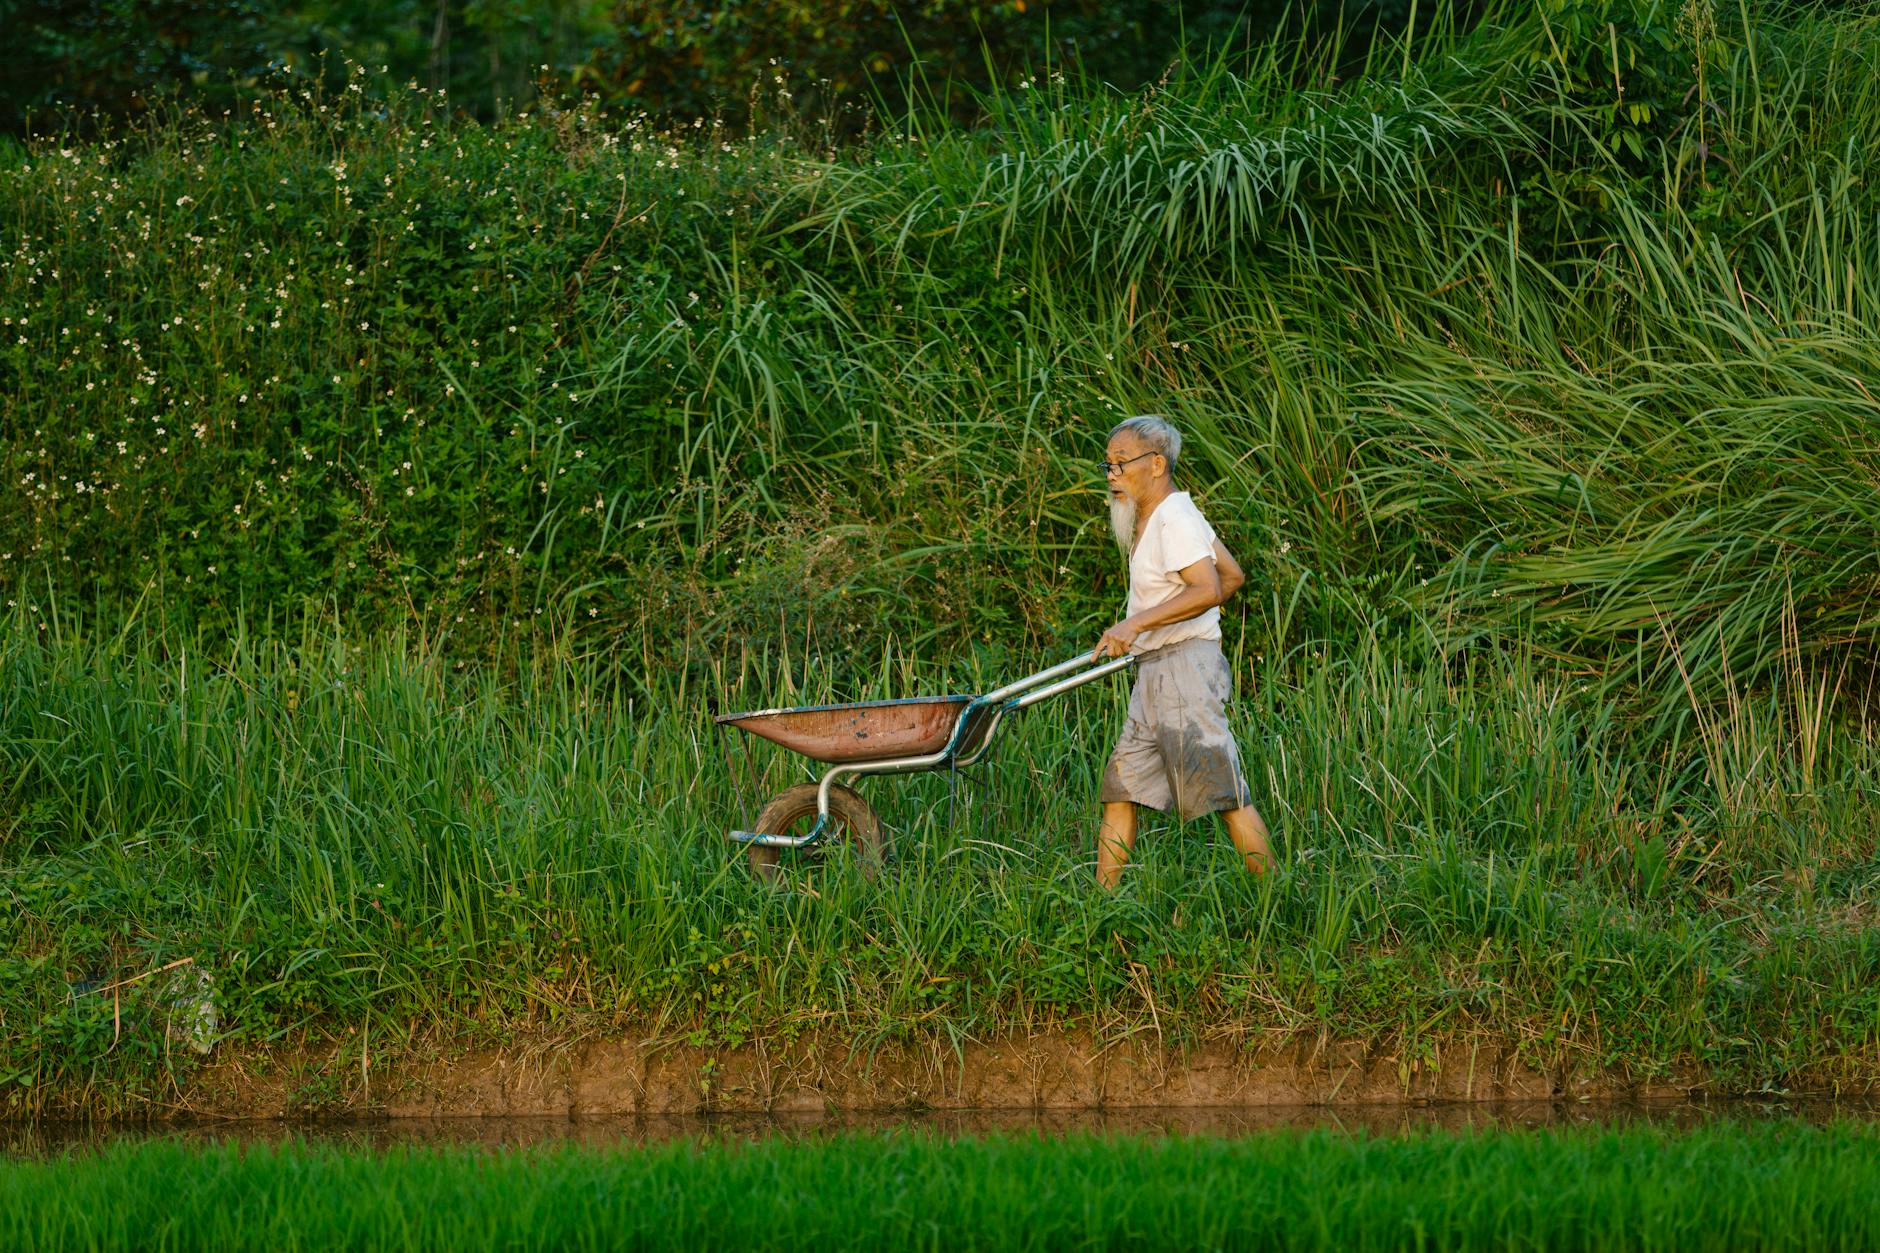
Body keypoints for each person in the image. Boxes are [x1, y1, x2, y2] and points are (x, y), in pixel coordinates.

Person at [1091, 415, 1274, 889]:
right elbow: (1231, 576)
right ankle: (1101, 906)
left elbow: (1208, 588)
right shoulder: (1159, 518)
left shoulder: (1175, 517)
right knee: (1121, 788)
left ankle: (1276, 893)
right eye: (1107, 465)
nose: (1111, 475)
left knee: (1221, 790)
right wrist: (1152, 634)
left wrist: (1135, 624)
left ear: (1155, 464)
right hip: (1155, 670)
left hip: (1185, 673)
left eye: (1119, 464)